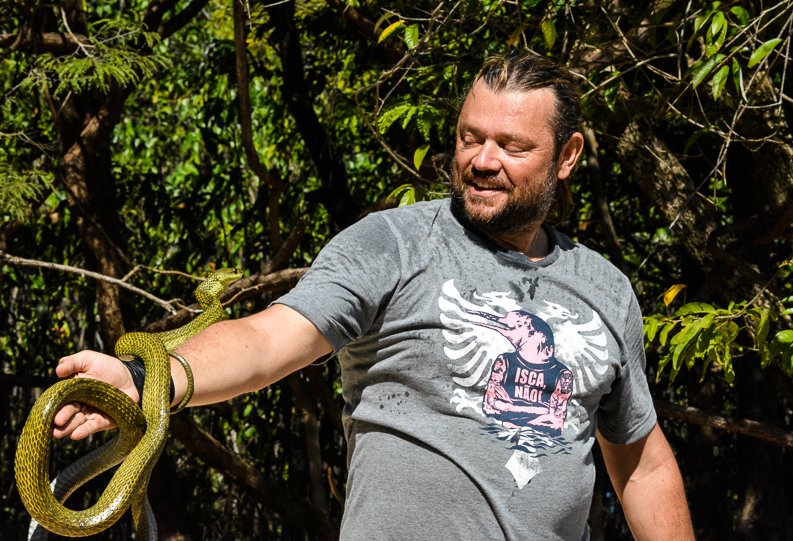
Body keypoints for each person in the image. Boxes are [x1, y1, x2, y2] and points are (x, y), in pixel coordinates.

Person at [53, 51, 695, 540]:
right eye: (471, 137)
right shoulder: (392, 244)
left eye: (513, 145)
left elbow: (642, 466)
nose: (482, 159)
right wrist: (151, 377)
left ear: (567, 155)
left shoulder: (603, 289)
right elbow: (268, 339)